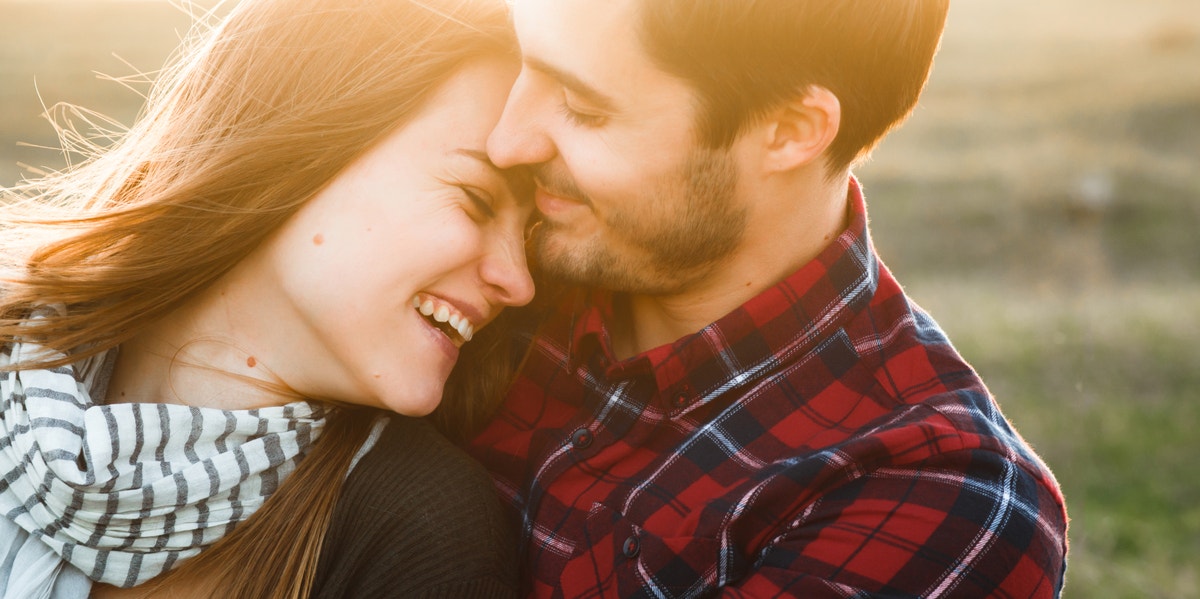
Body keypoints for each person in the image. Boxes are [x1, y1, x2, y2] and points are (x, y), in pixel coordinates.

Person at [439, 0, 1065, 596]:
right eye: (518, 62)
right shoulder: (462, 259)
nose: (508, 143)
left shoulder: (942, 495)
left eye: (582, 107)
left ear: (791, 131)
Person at [0, 0, 532, 597]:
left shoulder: (421, 531)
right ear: (303, 144)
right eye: (477, 200)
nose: (519, 281)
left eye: (532, 241)